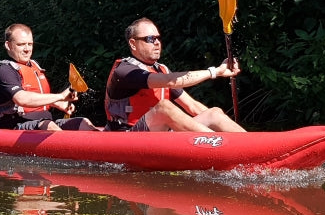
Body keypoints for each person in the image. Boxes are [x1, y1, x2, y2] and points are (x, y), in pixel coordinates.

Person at [104, 18, 245, 132]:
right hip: (128, 138)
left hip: (159, 134)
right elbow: (171, 81)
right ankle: (218, 145)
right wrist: (215, 72)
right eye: (150, 39)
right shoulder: (124, 71)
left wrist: (217, 121)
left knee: (214, 112)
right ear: (133, 44)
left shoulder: (161, 70)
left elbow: (193, 107)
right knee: (164, 107)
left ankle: (249, 144)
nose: (157, 43)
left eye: (158, 38)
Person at [0, 24, 98, 131]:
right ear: (8, 45)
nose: (27, 49)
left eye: (30, 44)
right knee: (48, 125)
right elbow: (22, 99)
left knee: (84, 122)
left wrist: (59, 103)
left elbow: (37, 96)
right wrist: (60, 96)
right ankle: (68, 146)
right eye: (21, 44)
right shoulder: (4, 71)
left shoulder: (34, 66)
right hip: (15, 126)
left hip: (44, 121)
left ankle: (100, 146)